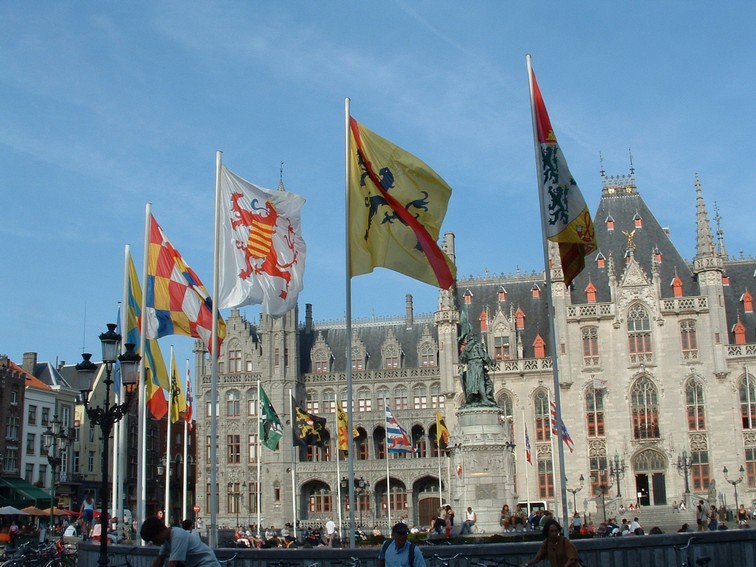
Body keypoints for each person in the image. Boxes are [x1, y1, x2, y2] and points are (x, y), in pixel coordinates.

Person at [141, 515, 221, 567]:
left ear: (161, 531)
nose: (155, 543)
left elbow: (173, 564)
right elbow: (160, 560)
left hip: (207, 563)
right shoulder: (166, 540)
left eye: (155, 539)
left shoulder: (178, 536)